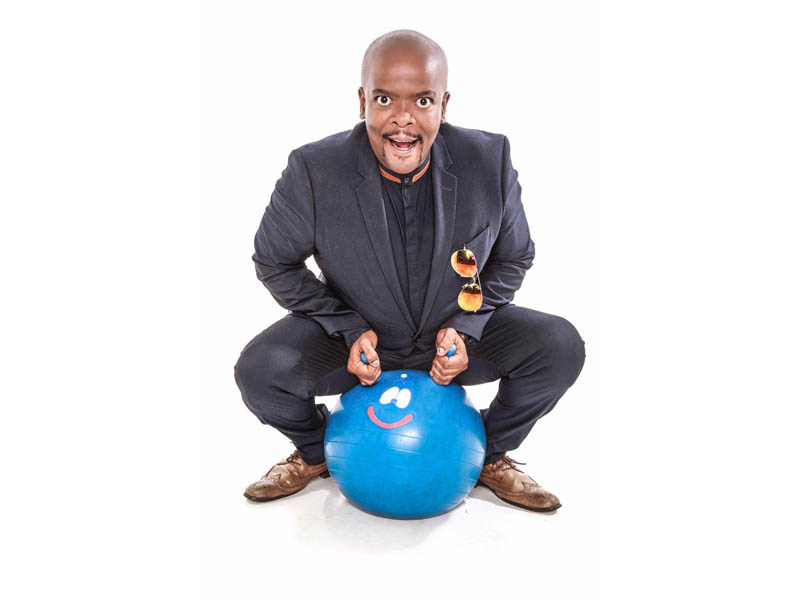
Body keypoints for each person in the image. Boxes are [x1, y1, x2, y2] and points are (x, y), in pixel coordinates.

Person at [234, 29, 586, 513]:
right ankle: (318, 453)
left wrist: (466, 326)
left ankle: (487, 455)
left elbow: (514, 257)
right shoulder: (314, 169)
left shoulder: (490, 159)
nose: (403, 119)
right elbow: (274, 261)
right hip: (357, 340)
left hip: (453, 337)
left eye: (422, 100)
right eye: (385, 99)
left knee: (559, 345)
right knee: (260, 370)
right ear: (363, 101)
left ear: (443, 104)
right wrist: (346, 326)